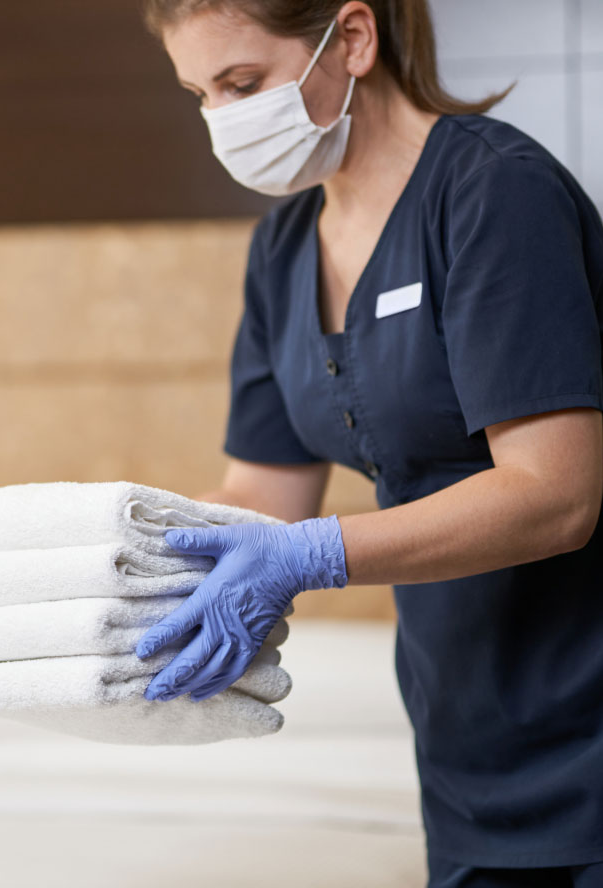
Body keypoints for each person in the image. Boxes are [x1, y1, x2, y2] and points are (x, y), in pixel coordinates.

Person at [129, 0, 603, 883]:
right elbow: (263, 498)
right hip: (464, 739)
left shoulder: (493, 192)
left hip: (589, 714)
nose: (223, 121)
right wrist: (129, 559)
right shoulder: (282, 252)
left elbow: (556, 494)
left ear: (351, 39)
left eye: (244, 83)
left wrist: (309, 555)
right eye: (199, 94)